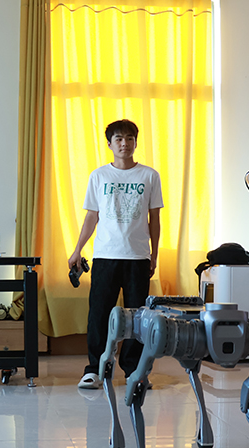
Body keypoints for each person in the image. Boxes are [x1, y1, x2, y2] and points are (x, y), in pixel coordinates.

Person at [68, 119, 163, 389]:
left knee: (138, 318)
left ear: (136, 142)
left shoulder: (149, 176)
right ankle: (94, 370)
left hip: (138, 256)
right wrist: (77, 249)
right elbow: (92, 217)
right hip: (105, 256)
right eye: (119, 139)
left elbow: (154, 219)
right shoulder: (99, 176)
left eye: (130, 138)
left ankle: (134, 371)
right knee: (99, 314)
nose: (125, 144)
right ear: (109, 144)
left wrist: (154, 255)